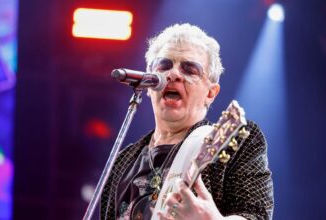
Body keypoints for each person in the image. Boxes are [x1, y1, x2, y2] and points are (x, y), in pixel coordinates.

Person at [100, 23, 274, 220]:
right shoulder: (124, 160)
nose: (173, 74)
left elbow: (256, 215)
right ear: (149, 84)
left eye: (190, 69)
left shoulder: (233, 141)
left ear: (211, 93)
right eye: (164, 66)